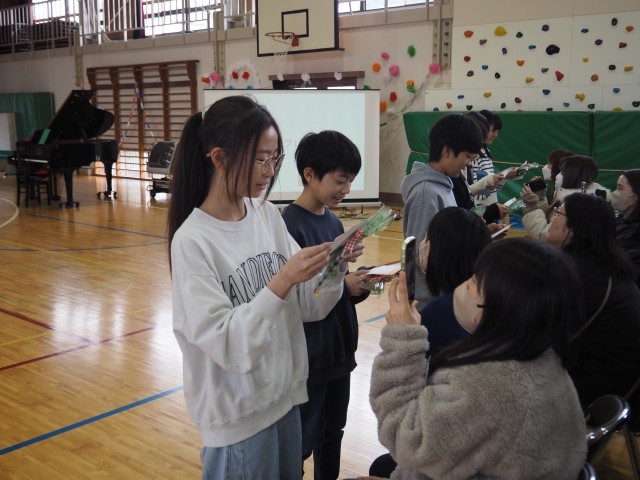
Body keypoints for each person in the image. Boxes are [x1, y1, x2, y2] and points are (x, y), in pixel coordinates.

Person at [167, 95, 362, 479]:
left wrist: (336, 265)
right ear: (219, 158)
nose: (270, 171)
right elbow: (228, 344)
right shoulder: (193, 241)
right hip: (239, 417)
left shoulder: (266, 215)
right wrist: (283, 279)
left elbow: (309, 306)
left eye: (275, 158)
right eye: (260, 159)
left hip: (284, 399)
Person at [366, 238, 587, 479]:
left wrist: (402, 341)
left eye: (474, 282)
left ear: (495, 310)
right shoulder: (544, 357)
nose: (464, 284)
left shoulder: (488, 387)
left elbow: (406, 439)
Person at [365, 207, 492, 479]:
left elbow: (402, 416)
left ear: (436, 250)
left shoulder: (436, 315)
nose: (422, 245)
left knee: (381, 467)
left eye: (426, 239)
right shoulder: (487, 307)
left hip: (442, 444)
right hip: (470, 442)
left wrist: (400, 335)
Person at [281, 130, 370, 480]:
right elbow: (300, 299)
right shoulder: (289, 226)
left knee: (333, 433)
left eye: (350, 181)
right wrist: (342, 285)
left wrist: (357, 285)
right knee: (302, 442)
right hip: (311, 356)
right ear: (310, 174)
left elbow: (335, 285)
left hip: (338, 349)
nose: (346, 189)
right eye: (340, 180)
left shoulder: (333, 221)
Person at [546, 193, 640, 425]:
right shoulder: (604, 264)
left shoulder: (578, 273)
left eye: (558, 213)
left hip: (595, 391)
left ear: (575, 228)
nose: (552, 217)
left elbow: (541, 335)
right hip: (619, 386)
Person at [400, 113, 485, 308]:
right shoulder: (426, 193)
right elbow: (421, 254)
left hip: (443, 291)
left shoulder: (443, 186)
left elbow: (446, 239)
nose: (469, 163)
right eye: (467, 156)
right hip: (428, 298)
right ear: (447, 151)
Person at [468, 110, 519, 206]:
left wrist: (503, 177)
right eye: (493, 131)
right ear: (482, 128)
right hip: (480, 208)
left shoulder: (486, 152)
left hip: (489, 206)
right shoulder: (473, 154)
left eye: (497, 131)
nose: (496, 135)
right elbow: (476, 192)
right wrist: (499, 177)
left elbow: (491, 190)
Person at [612, 169, 640, 288]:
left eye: (620, 188)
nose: (615, 193)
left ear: (636, 195)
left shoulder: (635, 232)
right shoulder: (622, 217)